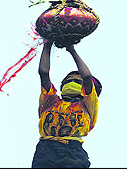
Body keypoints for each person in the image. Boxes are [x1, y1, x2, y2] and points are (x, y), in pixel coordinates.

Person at [32, 40, 102, 168]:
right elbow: (43, 72)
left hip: (73, 153)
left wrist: (71, 50)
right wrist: (47, 45)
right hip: (46, 151)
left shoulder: (87, 105)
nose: (72, 82)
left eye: (76, 81)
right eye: (69, 80)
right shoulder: (50, 101)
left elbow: (87, 77)